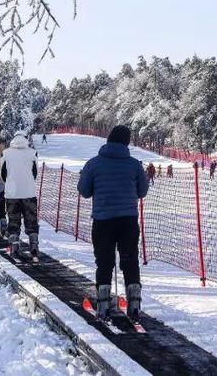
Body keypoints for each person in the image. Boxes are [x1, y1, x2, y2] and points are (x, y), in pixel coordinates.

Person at [77, 125, 148, 321]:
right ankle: (134, 305)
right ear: (126, 143)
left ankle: (103, 304)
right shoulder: (134, 165)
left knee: (104, 261)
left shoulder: (93, 164)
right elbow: (142, 192)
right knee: (130, 259)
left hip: (103, 220)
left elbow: (84, 191)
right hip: (128, 220)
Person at [1, 131, 40, 260]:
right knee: (31, 220)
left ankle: (14, 247)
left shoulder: (6, 153)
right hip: (29, 192)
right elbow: (35, 172)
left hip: (12, 193)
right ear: (25, 139)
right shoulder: (32, 153)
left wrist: (11, 182)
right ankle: (34, 246)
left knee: (13, 220)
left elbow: (3, 174)